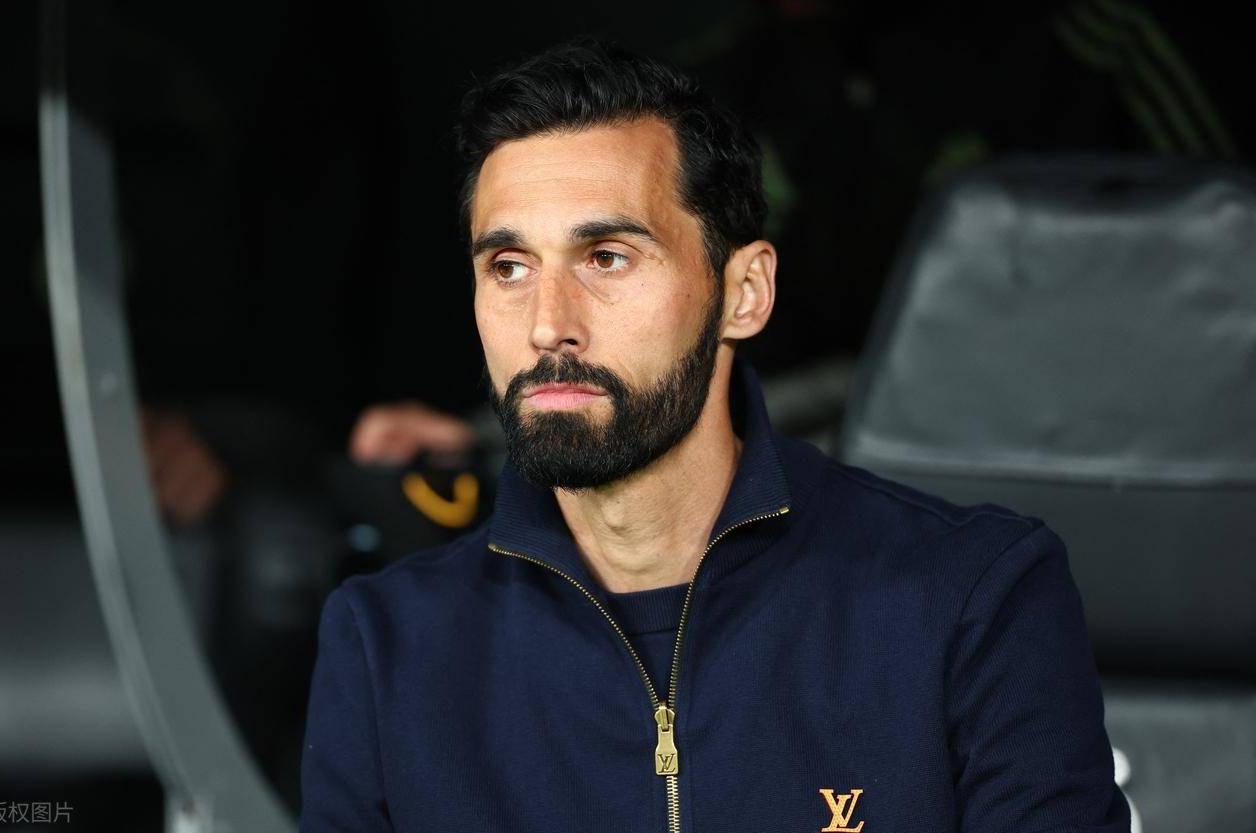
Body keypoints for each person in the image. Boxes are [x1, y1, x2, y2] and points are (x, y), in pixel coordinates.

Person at [299, 40, 1130, 832]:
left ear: (744, 292)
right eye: (509, 267)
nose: (548, 323)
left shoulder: (975, 598)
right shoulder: (386, 648)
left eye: (607, 257)